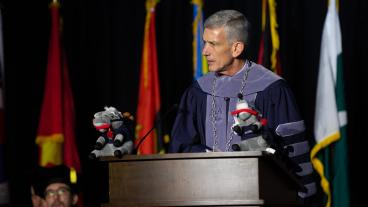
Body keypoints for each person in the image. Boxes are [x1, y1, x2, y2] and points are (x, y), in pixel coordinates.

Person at [168, 9, 318, 204]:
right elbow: (180, 146)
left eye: (212, 44)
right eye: (205, 42)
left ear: (236, 48)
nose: (204, 51)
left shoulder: (272, 89)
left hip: (261, 197)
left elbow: (294, 156)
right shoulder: (198, 92)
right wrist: (207, 156)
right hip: (205, 195)